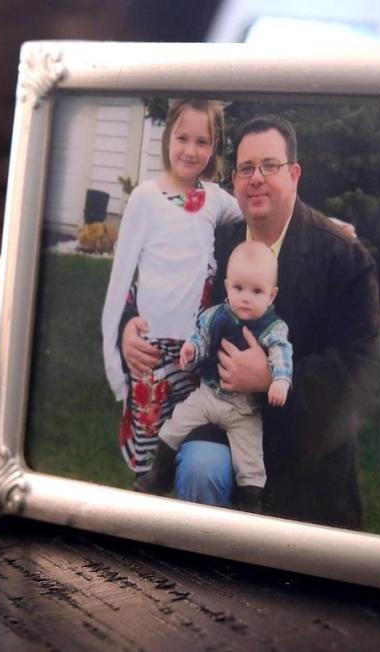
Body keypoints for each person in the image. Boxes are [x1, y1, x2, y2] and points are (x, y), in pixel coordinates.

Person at [124, 114, 380, 529]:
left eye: (269, 166)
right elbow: (160, 271)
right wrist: (129, 322)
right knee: (200, 468)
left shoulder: (343, 258)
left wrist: (270, 378)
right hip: (219, 420)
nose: (256, 178)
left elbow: (364, 371)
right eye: (246, 168)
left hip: (302, 443)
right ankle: (199, 575)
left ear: (294, 174)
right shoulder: (217, 237)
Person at [101, 99, 243, 479]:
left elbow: (260, 211)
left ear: (213, 147)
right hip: (150, 352)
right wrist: (116, 369)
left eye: (202, 141)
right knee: (147, 467)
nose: (191, 150)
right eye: (182, 138)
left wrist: (330, 221)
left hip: (193, 354)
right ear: (168, 138)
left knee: (180, 448)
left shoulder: (215, 198)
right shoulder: (145, 199)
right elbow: (119, 283)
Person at [135, 241, 293, 510]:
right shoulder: (214, 316)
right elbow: (201, 338)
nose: (246, 297)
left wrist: (279, 380)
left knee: (250, 462)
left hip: (243, 410)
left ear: (272, 295)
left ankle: (248, 504)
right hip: (208, 396)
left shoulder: (272, 327)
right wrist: (191, 351)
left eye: (257, 291)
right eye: (238, 288)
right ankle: (160, 475)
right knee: (174, 425)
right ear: (227, 285)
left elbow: (281, 353)